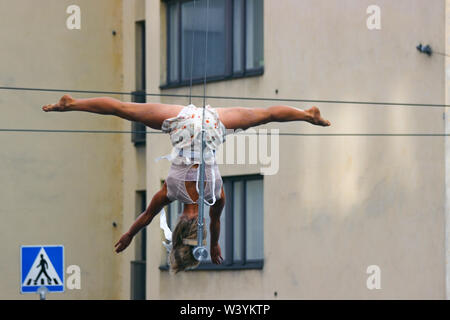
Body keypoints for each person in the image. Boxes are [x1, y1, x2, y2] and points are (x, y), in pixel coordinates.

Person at [43, 94, 331, 273]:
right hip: (182, 122)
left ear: (198, 227)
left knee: (264, 116)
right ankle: (74, 104)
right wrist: (130, 234)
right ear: (179, 225)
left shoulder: (215, 196)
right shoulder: (170, 191)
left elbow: (215, 223)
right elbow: (146, 216)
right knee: (123, 109)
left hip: (212, 124)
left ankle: (306, 115)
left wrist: (215, 245)